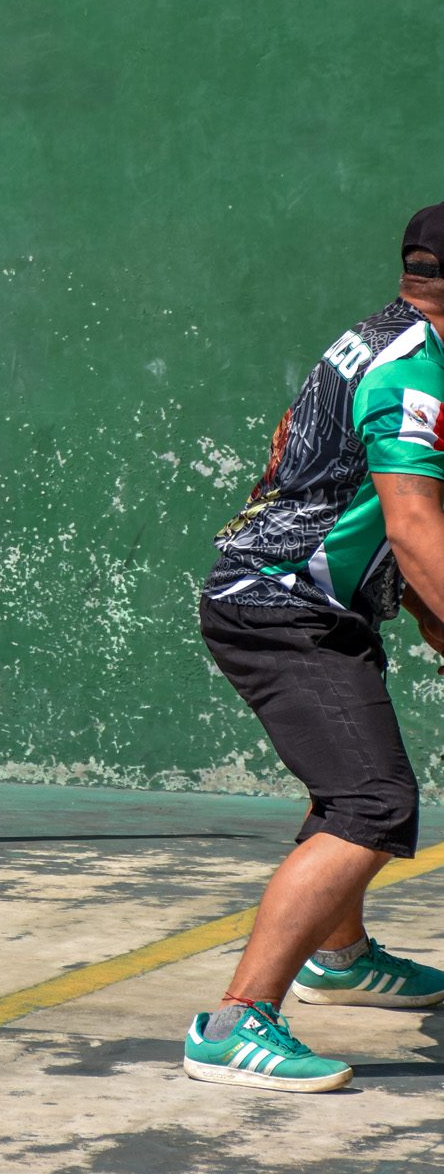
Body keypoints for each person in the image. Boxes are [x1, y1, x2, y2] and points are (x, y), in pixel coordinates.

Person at [183, 203, 444, 1092]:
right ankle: (233, 1023)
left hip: (297, 601)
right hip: (281, 608)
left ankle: (341, 958)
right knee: (372, 803)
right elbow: (411, 526)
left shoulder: (377, 335)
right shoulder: (415, 374)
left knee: (349, 785)